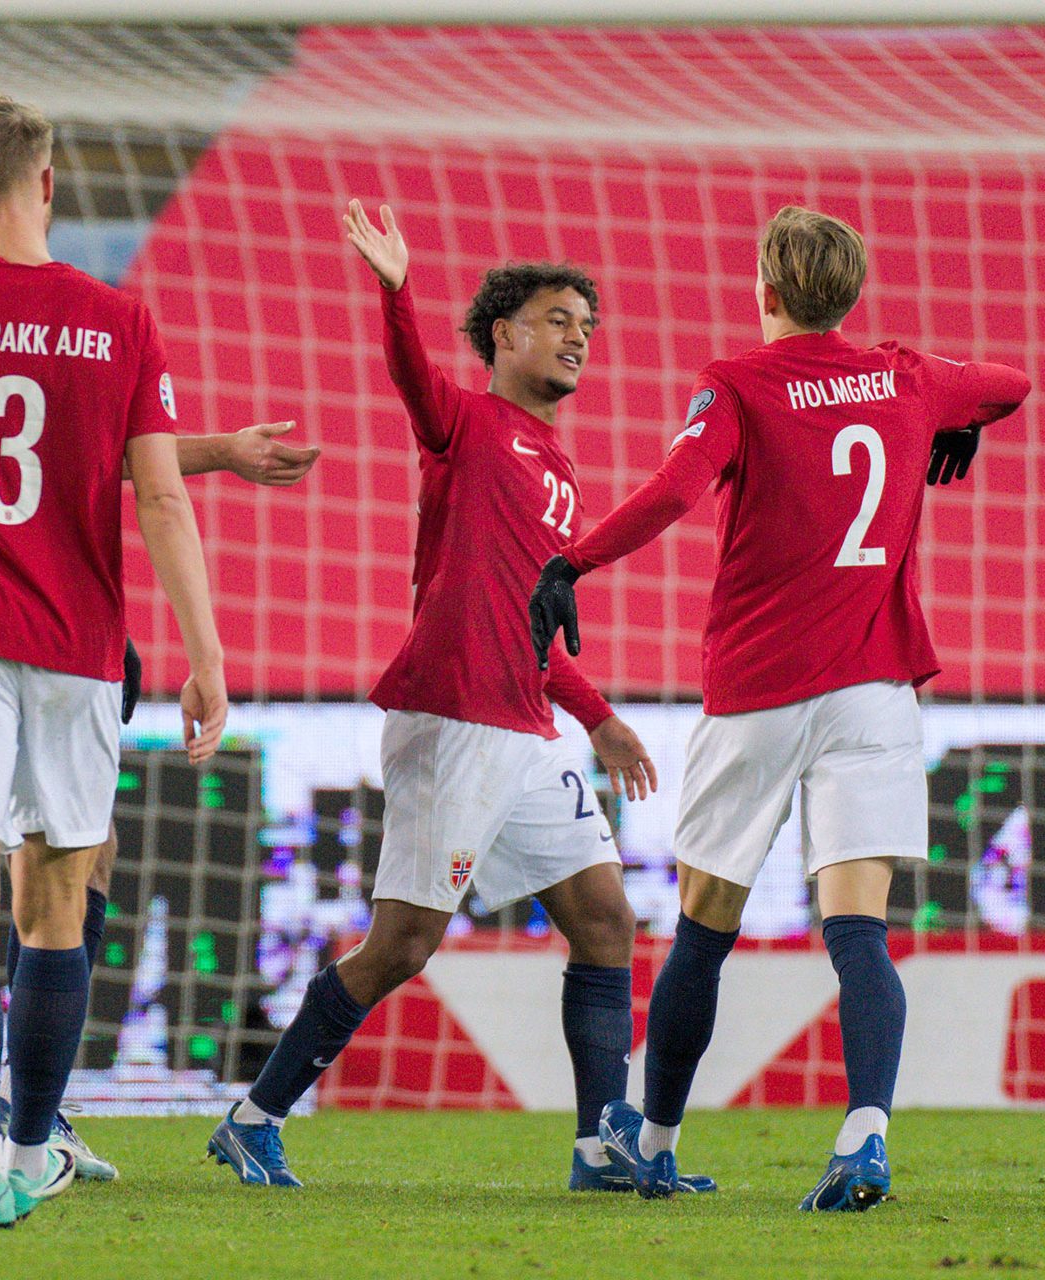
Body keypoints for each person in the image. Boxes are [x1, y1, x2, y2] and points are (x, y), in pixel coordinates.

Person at [0, 101, 317, 1187]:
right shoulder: (102, 314)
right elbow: (154, 491)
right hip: (50, 632)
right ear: (46, 185)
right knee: (26, 886)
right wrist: (210, 651)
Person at [528, 205, 1029, 1209]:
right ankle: (865, 1135)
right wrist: (960, 425)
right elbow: (1013, 383)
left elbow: (676, 489)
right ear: (850, 292)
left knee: (706, 926)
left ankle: (656, 1142)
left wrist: (573, 559)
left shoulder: (738, 384)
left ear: (766, 289)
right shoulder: (905, 375)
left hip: (759, 690)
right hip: (875, 692)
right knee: (860, 930)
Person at [206, 201, 710, 1196]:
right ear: (504, 335)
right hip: (450, 718)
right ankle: (254, 1115)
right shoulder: (466, 424)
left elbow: (528, 617)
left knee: (607, 919)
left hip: (527, 725)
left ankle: (597, 1147)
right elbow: (411, 382)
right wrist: (396, 290)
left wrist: (597, 712)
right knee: (403, 942)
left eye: (587, 326)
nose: (577, 337)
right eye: (558, 318)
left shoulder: (559, 466)